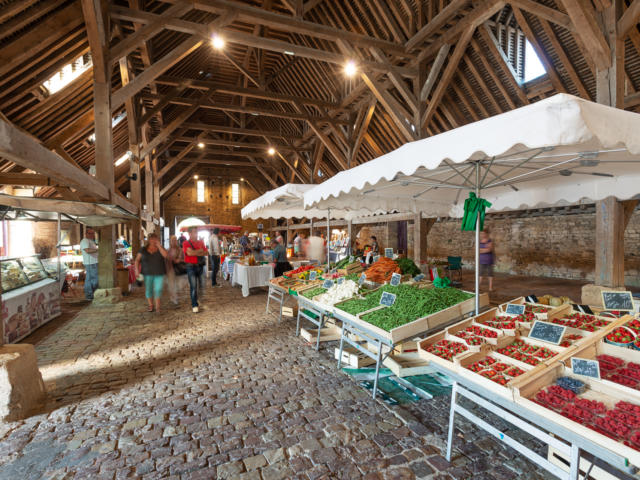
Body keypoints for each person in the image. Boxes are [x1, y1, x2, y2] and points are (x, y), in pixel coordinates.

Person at [134, 233, 168, 312]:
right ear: (149, 240)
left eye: (155, 238)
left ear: (157, 239)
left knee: (158, 289)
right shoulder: (143, 249)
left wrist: (159, 246)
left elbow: (166, 256)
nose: (153, 240)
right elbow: (137, 260)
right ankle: (151, 305)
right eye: (152, 239)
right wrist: (136, 270)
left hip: (159, 272)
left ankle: (158, 306)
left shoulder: (160, 248)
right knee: (149, 289)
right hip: (147, 273)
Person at [183, 227, 208, 313]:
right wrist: (200, 251)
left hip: (200, 266)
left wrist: (195, 252)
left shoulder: (201, 242)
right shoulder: (185, 243)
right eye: (194, 232)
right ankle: (194, 304)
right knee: (193, 286)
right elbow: (189, 253)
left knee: (202, 285)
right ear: (189, 234)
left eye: (196, 232)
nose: (196, 234)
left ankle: (199, 299)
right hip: (190, 267)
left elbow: (206, 252)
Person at [166, 235, 187, 305]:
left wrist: (179, 260)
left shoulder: (180, 249)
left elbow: (185, 259)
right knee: (171, 284)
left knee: (179, 284)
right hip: (170, 269)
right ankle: (174, 297)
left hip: (178, 269)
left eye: (175, 240)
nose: (174, 242)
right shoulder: (168, 250)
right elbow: (166, 259)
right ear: (170, 242)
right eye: (172, 241)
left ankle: (174, 295)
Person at [80, 227, 99, 300]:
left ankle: (92, 294)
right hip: (91, 263)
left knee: (93, 279)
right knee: (92, 280)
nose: (92, 235)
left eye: (93, 233)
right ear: (86, 233)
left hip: (94, 262)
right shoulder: (84, 241)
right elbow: (87, 250)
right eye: (90, 233)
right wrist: (98, 250)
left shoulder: (91, 241)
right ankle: (89, 295)